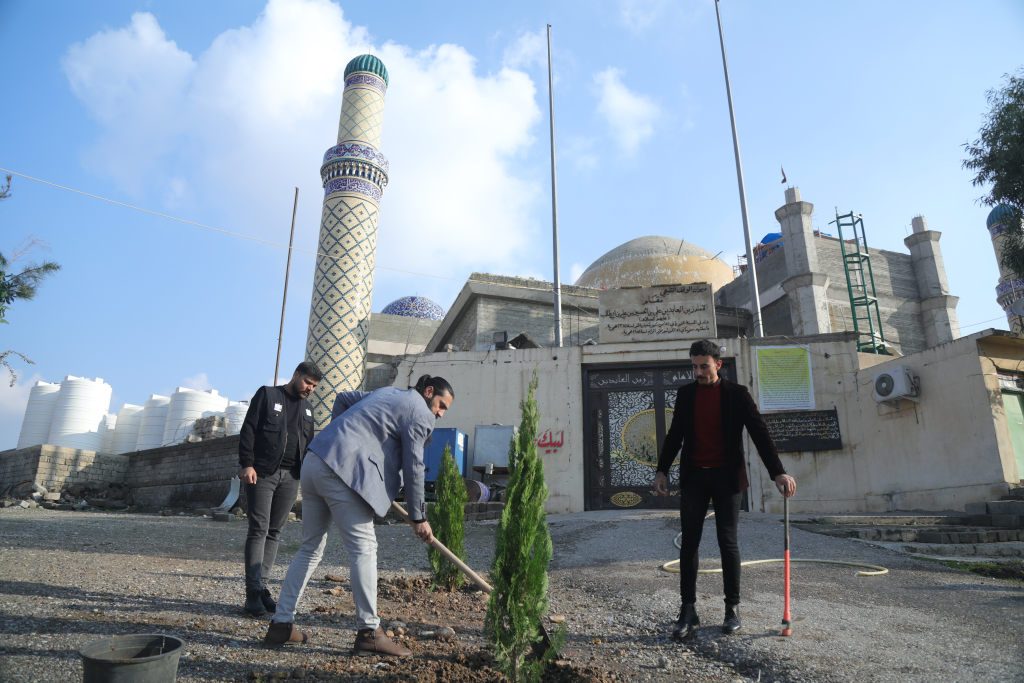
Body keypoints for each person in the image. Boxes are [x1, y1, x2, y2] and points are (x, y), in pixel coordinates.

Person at [262, 374, 454, 656]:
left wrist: (341, 440)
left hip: (316, 461)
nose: (440, 413)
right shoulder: (421, 413)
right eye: (441, 405)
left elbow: (342, 398)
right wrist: (419, 516)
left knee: (310, 549)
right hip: (340, 473)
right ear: (428, 392)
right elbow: (414, 464)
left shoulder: (388, 392)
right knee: (364, 549)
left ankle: (280, 625)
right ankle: (369, 633)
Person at [653, 340, 796, 639]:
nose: (698, 372)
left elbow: (759, 432)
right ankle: (688, 611)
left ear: (718, 364)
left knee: (726, 542)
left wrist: (777, 472)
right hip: (694, 478)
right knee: (689, 543)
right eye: (694, 366)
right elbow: (675, 434)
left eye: (703, 366)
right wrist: (662, 469)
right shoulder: (686, 395)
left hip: (726, 479)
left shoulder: (737, 395)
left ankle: (732, 610)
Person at [238, 361, 321, 616]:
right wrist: (247, 464)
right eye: (308, 382)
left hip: (292, 476)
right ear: (296, 375)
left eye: (315, 386)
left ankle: (262, 587)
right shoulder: (268, 394)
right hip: (262, 472)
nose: (310, 389)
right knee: (258, 529)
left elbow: (310, 446)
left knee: (275, 531)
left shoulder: (308, 410)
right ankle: (252, 593)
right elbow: (248, 430)